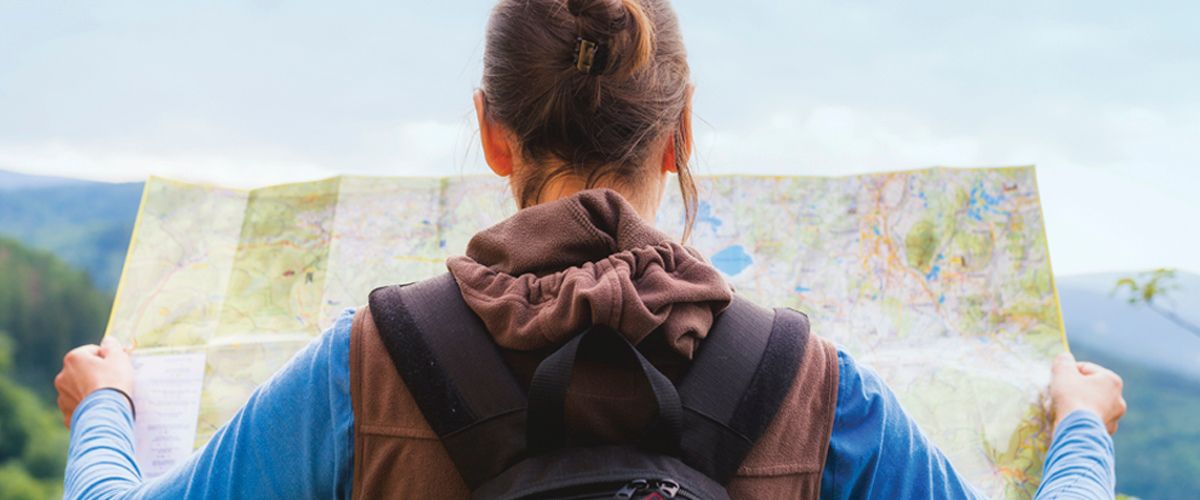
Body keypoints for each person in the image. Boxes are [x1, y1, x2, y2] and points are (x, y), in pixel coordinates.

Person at [56, 0, 1126, 498]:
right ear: (683, 133)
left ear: (491, 129)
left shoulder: (370, 362)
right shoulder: (809, 383)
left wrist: (103, 405)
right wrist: (1079, 429)